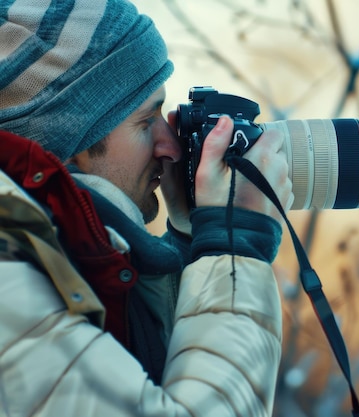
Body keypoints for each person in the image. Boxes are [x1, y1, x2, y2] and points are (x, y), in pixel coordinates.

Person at [0, 0, 293, 415]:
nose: (171, 147)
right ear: (73, 143)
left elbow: (143, 379)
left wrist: (193, 243)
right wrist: (234, 250)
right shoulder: (8, 282)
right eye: (145, 122)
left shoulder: (51, 257)